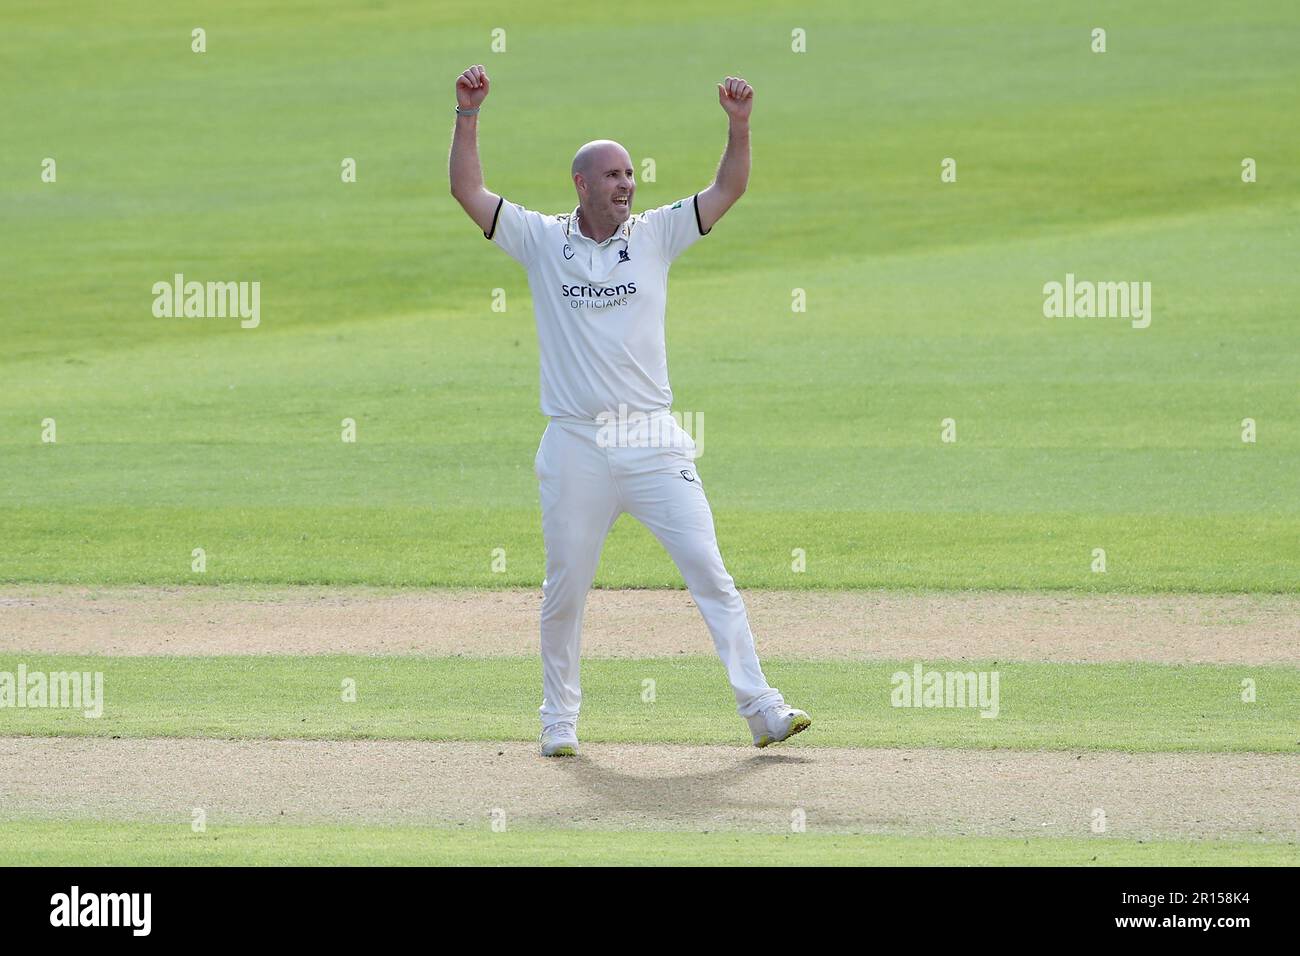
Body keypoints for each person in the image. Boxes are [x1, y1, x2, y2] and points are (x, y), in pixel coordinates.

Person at [448, 64, 811, 757]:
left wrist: (739, 125)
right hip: (576, 444)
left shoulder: (655, 235)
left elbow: (727, 188)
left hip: (651, 438)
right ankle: (559, 722)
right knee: (565, 591)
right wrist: (468, 116)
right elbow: (467, 190)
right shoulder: (538, 240)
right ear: (581, 185)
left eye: (630, 176)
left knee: (710, 571)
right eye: (612, 176)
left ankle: (762, 709)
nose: (626, 185)